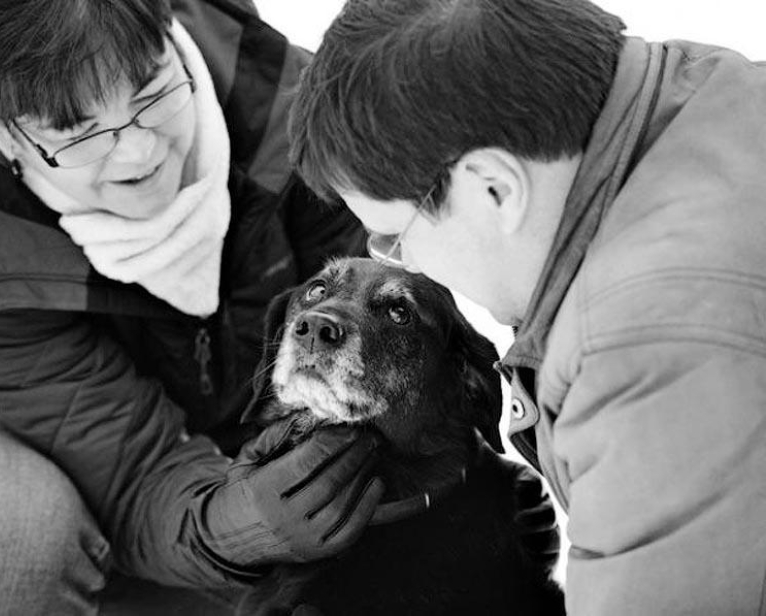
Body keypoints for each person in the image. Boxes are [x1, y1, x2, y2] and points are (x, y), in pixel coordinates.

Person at [289, 0, 766, 613]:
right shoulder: (704, 87)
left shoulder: (640, 349)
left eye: (395, 238)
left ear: (494, 187)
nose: (400, 259)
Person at [0, 0, 387, 614]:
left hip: (235, 447)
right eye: (77, 131)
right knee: (16, 530)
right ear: (2, 122)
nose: (138, 155)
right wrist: (238, 524)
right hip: (38, 448)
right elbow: (127, 466)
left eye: (151, 91)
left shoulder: (293, 111)